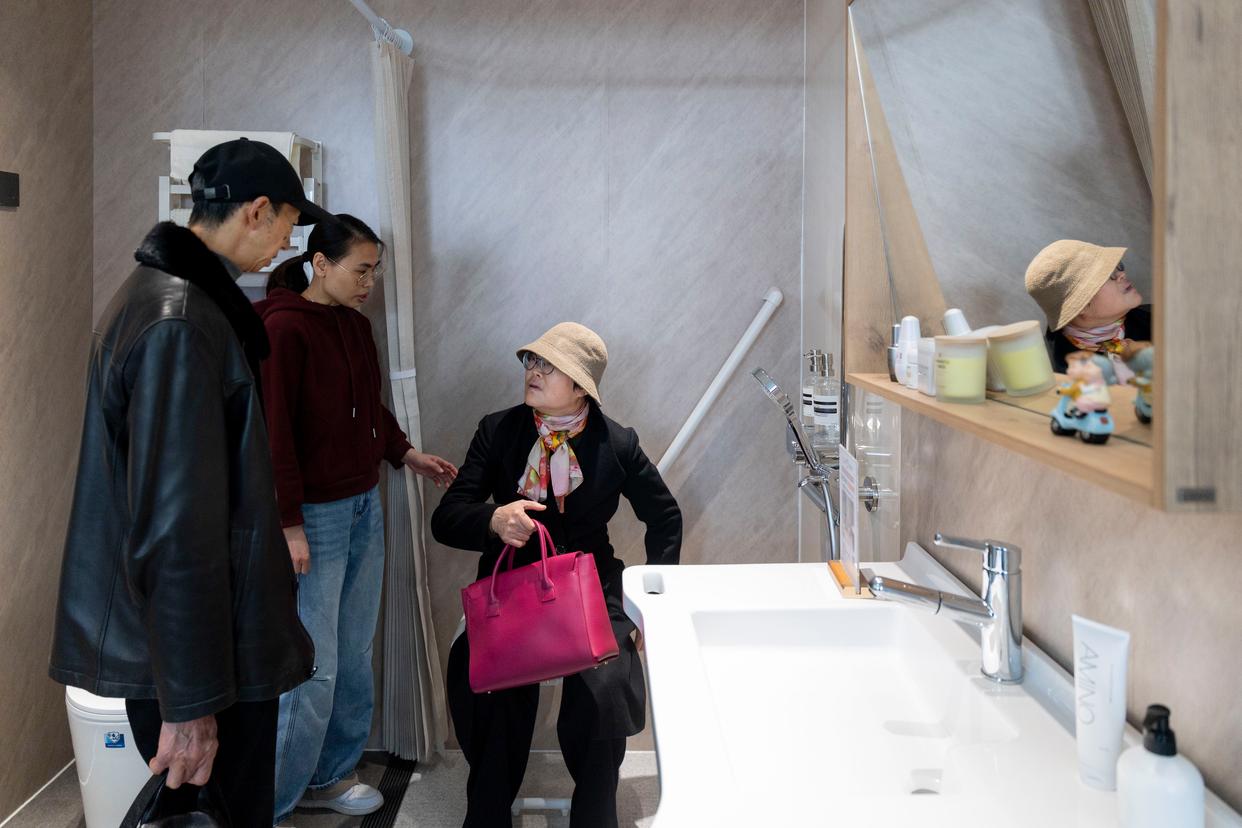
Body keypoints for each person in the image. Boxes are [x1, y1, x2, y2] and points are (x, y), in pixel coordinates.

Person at [49, 138, 328, 824]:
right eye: (289, 226)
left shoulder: (174, 302)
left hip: (199, 653)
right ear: (256, 211)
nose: (286, 246)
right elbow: (176, 529)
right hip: (199, 666)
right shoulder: (178, 322)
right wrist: (193, 704)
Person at [431, 322, 682, 828]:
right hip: (514, 587)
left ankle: (594, 814)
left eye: (550, 366)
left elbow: (665, 518)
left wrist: (653, 610)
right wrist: (495, 519)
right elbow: (447, 517)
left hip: (591, 585)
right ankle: (488, 813)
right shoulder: (498, 430)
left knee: (606, 683)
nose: (534, 372)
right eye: (532, 361)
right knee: (486, 683)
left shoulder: (618, 443)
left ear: (581, 385)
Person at [258, 214, 458, 821]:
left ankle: (330, 774)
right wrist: (289, 522)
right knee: (314, 664)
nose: (370, 283)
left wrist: (404, 452)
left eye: (375, 272)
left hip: (363, 503)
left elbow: (366, 406)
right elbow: (274, 433)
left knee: (353, 649)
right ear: (320, 263)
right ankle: (271, 803)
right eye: (361, 270)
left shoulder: (353, 324)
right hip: (313, 517)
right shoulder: (283, 328)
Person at [1024, 239, 1152, 377]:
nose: (1122, 274)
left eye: (1117, 266)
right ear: (1080, 306)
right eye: (1107, 275)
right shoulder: (1057, 372)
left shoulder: (1161, 321)